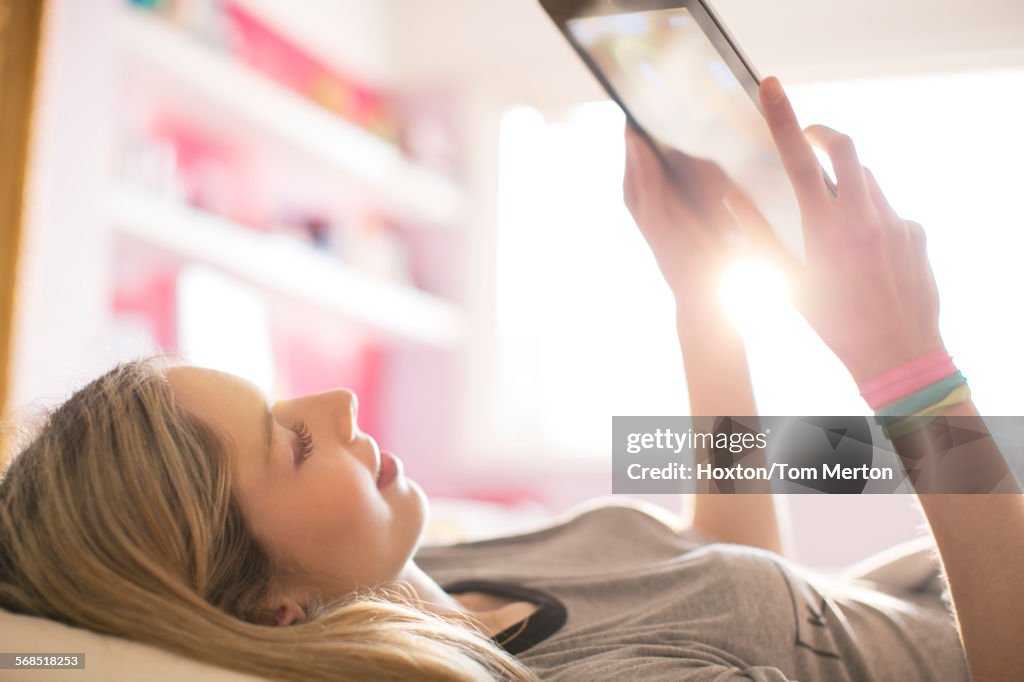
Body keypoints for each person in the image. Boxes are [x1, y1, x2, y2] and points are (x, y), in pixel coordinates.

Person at [0, 77, 1020, 681]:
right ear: (270, 606)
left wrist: (695, 297)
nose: (340, 405)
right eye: (291, 440)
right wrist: (910, 372)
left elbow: (736, 583)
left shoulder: (432, 572)